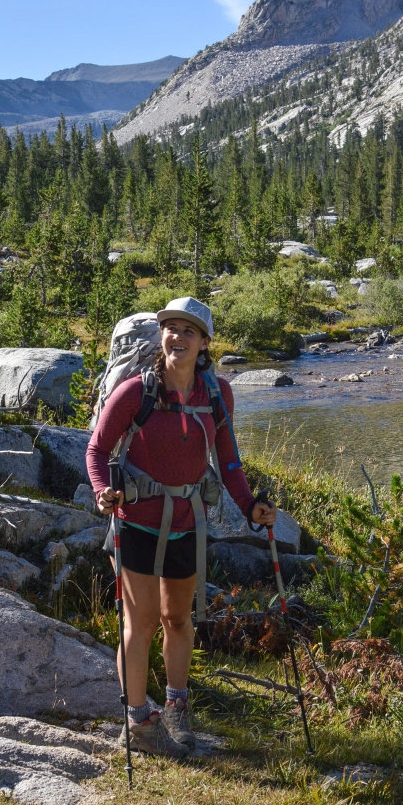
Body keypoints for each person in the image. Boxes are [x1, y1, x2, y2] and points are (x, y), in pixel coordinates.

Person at [86, 296, 277, 758]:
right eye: (171, 328)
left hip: (189, 523)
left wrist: (249, 505)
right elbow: (97, 449)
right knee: (141, 622)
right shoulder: (134, 392)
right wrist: (101, 491)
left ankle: (176, 707)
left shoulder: (217, 394)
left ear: (204, 342)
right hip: (135, 522)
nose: (178, 337)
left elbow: (228, 460)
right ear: (162, 336)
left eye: (188, 331)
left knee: (178, 619)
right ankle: (138, 723)